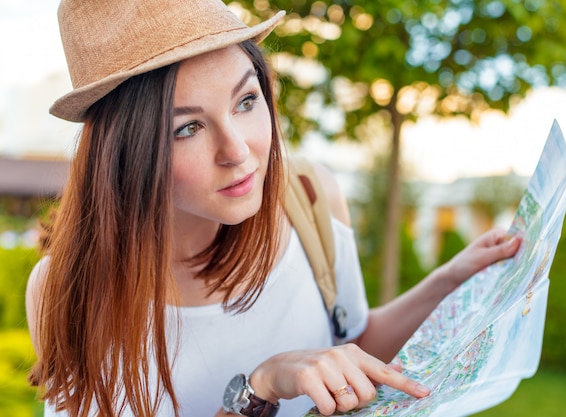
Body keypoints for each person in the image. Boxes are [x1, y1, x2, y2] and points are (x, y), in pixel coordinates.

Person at [25, 0, 521, 416]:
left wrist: (453, 278)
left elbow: (354, 341)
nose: (238, 150)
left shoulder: (309, 197)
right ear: (125, 153)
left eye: (245, 100)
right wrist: (259, 390)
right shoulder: (67, 290)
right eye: (188, 128)